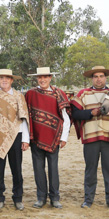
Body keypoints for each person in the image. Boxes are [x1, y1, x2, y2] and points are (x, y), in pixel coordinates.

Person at [70, 66, 109, 210]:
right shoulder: (83, 94)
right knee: (90, 170)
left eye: (101, 76)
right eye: (96, 76)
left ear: (106, 78)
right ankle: (88, 199)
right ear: (92, 78)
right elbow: (75, 113)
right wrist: (90, 113)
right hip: (91, 137)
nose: (99, 79)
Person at [25, 67, 71, 209]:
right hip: (36, 138)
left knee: (53, 169)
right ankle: (41, 198)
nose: (42, 79)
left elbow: (66, 118)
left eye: (45, 77)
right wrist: (26, 139)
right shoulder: (30, 94)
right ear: (37, 78)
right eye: (40, 77)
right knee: (38, 169)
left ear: (50, 77)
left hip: (53, 138)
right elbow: (26, 118)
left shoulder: (59, 94)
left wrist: (63, 138)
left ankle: (55, 198)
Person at [0, 69, 29, 211]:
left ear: (12, 80)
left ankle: (18, 198)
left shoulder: (19, 96)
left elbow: (23, 119)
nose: (4, 80)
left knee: (16, 169)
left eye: (7, 78)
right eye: (1, 78)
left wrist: (25, 139)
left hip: (16, 136)